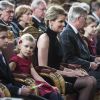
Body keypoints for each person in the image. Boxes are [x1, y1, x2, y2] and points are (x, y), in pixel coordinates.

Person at [36, 5, 96, 100]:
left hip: (59, 74)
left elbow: (57, 64)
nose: (64, 24)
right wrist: (69, 74)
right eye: (60, 21)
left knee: (91, 79)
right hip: (50, 78)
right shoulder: (45, 38)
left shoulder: (56, 37)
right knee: (89, 81)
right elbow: (43, 68)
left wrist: (73, 71)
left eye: (64, 21)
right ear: (50, 21)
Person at [0, 23, 48, 100]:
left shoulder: (2, 54)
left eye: (7, 37)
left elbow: (10, 79)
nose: (7, 40)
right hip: (6, 93)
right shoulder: (13, 59)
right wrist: (19, 90)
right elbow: (2, 83)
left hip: (12, 90)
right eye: (3, 37)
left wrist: (23, 87)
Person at [9, 33, 64, 100]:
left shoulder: (28, 61)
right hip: (24, 84)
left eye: (31, 47)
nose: (29, 49)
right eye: (26, 46)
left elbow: (36, 76)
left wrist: (50, 86)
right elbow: (9, 74)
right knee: (53, 96)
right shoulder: (15, 60)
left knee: (56, 93)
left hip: (34, 84)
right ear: (20, 45)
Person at [60, 5, 100, 90]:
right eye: (84, 18)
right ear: (78, 18)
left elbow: (84, 55)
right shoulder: (67, 33)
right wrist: (89, 64)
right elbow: (69, 59)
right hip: (77, 71)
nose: (85, 21)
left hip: (85, 68)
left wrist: (95, 59)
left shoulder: (75, 32)